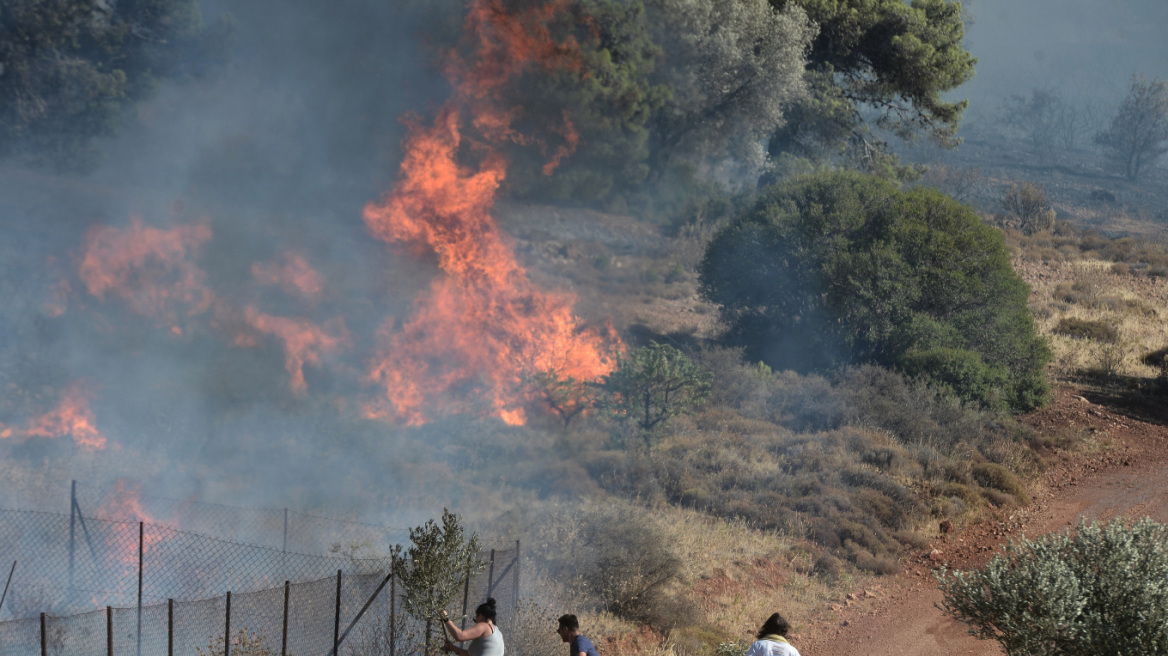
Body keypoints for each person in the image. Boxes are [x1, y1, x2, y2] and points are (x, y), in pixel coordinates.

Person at [440, 598, 504, 656]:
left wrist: (446, 619)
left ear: (481, 616)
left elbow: (460, 636)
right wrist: (452, 647)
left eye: (476, 619)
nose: (476, 623)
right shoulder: (498, 634)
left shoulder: (485, 626)